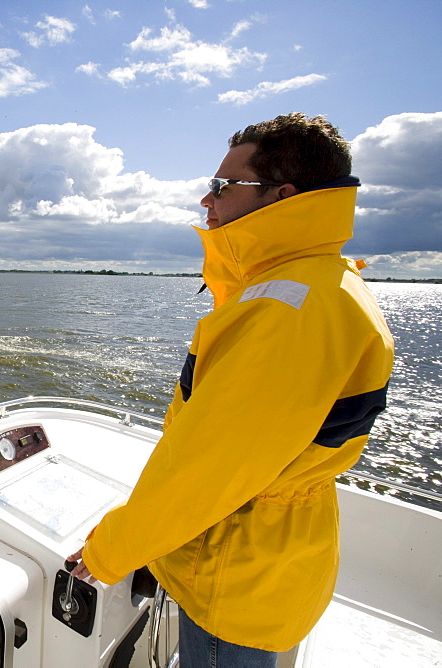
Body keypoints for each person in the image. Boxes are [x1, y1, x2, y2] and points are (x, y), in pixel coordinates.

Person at [68, 113, 394, 666]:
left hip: (235, 572)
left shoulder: (282, 310)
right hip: (275, 559)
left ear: (282, 195)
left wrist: (108, 552)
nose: (205, 199)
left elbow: (210, 469)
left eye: (223, 186)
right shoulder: (326, 283)